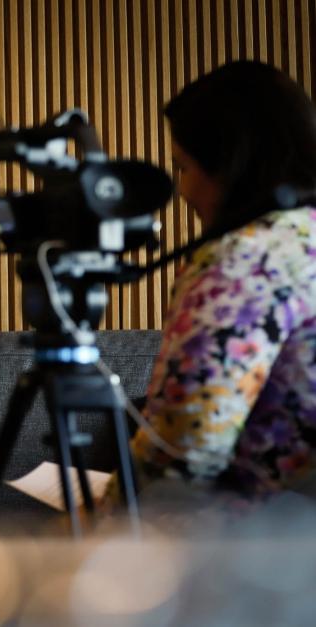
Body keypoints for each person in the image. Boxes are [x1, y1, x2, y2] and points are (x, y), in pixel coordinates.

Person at [128, 60, 316, 502]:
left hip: (263, 548)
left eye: (185, 169)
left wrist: (88, 528)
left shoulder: (244, 259)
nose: (185, 193)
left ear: (231, 165)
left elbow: (181, 455)